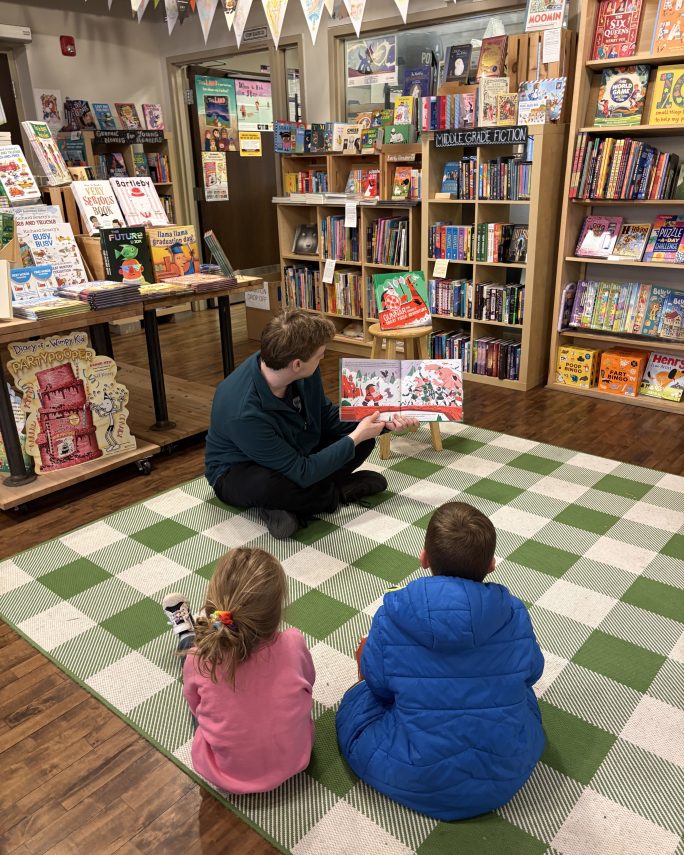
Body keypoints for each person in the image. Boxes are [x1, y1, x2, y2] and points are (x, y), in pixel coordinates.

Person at [335, 501, 545, 821]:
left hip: (414, 773)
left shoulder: (393, 612)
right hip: (505, 773)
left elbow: (376, 684)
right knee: (520, 695)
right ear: (491, 564)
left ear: (424, 559)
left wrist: (366, 658)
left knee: (358, 700)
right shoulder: (513, 612)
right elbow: (533, 672)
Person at [205, 310, 415, 539]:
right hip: (240, 469)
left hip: (294, 446)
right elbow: (301, 471)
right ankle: (336, 492)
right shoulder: (243, 410)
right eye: (321, 354)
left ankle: (290, 505)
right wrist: (354, 436)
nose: (323, 358)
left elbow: (325, 417)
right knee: (271, 486)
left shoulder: (296, 368)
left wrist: (384, 419)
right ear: (297, 364)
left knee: (363, 442)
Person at [162, 547, 315, 794]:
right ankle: (195, 632)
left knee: (192, 653)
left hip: (225, 773)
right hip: (295, 758)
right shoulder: (294, 642)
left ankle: (187, 635)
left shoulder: (199, 661)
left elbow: (195, 706)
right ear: (276, 616)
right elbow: (309, 683)